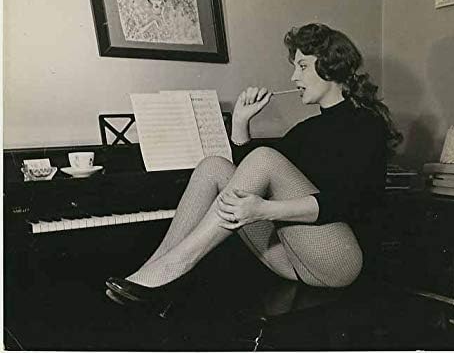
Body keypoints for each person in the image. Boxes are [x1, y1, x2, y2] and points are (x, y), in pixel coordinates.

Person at [105, 23, 402, 307]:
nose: (293, 78)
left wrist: (264, 210)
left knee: (264, 158)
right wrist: (240, 124)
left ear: (331, 66)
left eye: (302, 66)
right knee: (213, 166)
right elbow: (249, 175)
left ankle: (176, 266)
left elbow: (347, 201)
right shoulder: (307, 130)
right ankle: (153, 270)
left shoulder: (366, 125)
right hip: (296, 258)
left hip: (341, 262)